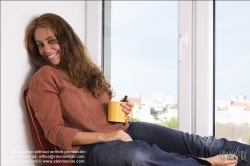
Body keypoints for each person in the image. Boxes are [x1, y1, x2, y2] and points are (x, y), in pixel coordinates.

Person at [24, 13, 249, 166]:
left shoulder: (84, 69)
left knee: (198, 142)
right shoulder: (45, 76)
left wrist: (121, 109)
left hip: (124, 129)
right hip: (87, 149)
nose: (46, 50)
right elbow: (55, 132)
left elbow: (98, 111)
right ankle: (205, 163)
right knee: (137, 155)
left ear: (66, 39)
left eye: (52, 41)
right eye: (40, 44)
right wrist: (105, 136)